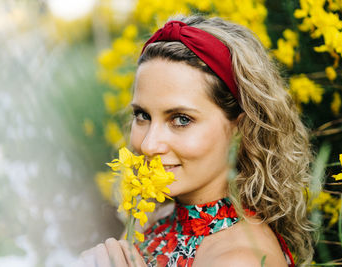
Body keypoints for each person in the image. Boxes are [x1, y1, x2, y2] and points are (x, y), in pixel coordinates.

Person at [78, 14, 314, 267]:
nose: (148, 145)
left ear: (240, 128)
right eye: (142, 115)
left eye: (181, 119)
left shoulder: (241, 260)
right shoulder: (153, 218)